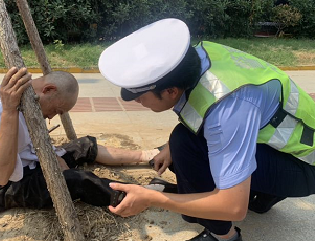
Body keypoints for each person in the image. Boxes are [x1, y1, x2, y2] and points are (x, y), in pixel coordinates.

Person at [99, 18, 315, 241]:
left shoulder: (226, 109)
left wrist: (151, 199)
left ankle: (223, 236)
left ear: (171, 91)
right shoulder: (195, 58)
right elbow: (199, 107)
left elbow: (233, 207)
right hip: (290, 146)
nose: (137, 102)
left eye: (140, 97)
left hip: (306, 166)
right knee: (179, 141)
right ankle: (263, 196)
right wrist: (170, 145)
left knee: (186, 144)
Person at [0, 67, 159, 216]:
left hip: (27, 164)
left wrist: (52, 157)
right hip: (2, 188)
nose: (51, 118)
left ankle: (147, 155)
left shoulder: (30, 101)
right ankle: (139, 195)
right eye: (57, 110)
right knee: (75, 180)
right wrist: (9, 112)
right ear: (48, 89)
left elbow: (31, 145)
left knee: (85, 146)